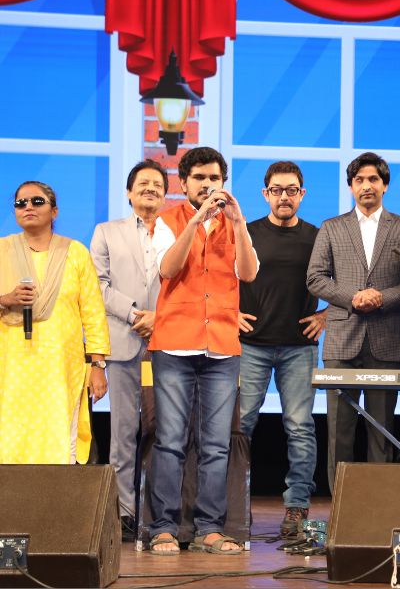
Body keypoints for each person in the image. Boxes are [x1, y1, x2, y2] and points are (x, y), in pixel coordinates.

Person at [147, 147, 258, 555]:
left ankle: (209, 529)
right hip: (175, 343)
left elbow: (248, 273)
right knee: (170, 441)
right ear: (184, 183)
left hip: (222, 347)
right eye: (199, 178)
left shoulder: (234, 223)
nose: (208, 185)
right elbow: (167, 269)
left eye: (214, 178)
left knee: (216, 445)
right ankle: (163, 527)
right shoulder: (167, 221)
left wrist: (239, 223)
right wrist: (196, 221)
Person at [307, 151, 400, 492]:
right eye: (359, 180)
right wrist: (354, 297)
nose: (366, 186)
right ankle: (341, 507)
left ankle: (379, 507)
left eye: (373, 179)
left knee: (381, 430)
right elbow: (316, 278)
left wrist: (381, 297)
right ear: (351, 187)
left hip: (387, 340)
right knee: (339, 431)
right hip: (342, 341)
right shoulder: (332, 227)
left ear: (385, 185)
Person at [238, 161, 327, 537]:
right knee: (241, 426)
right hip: (250, 346)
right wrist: (229, 313)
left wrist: (327, 315)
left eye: (291, 190)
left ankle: (297, 507)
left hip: (298, 347)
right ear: (265, 194)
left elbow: (345, 280)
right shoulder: (247, 233)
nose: (284, 197)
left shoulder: (318, 237)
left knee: (300, 427)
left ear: (302, 194)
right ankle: (233, 504)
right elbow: (221, 276)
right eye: (277, 190)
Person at [0, 181, 110, 464]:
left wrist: (97, 366)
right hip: (10, 368)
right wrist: (6, 299)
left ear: (55, 211)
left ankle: (55, 493)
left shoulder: (75, 253)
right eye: (21, 203)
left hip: (61, 369)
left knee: (58, 440)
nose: (28, 207)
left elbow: (93, 313)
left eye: (37, 201)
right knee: (10, 439)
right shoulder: (2, 250)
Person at [90, 159, 167, 538]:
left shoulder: (176, 232)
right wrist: (137, 313)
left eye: (157, 184)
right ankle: (123, 513)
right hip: (122, 341)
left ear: (165, 194)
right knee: (123, 434)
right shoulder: (106, 232)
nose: (149, 189)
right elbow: (97, 285)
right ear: (128, 192)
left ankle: (161, 515)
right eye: (142, 184)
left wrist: (160, 317)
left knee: (167, 433)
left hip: (168, 341)